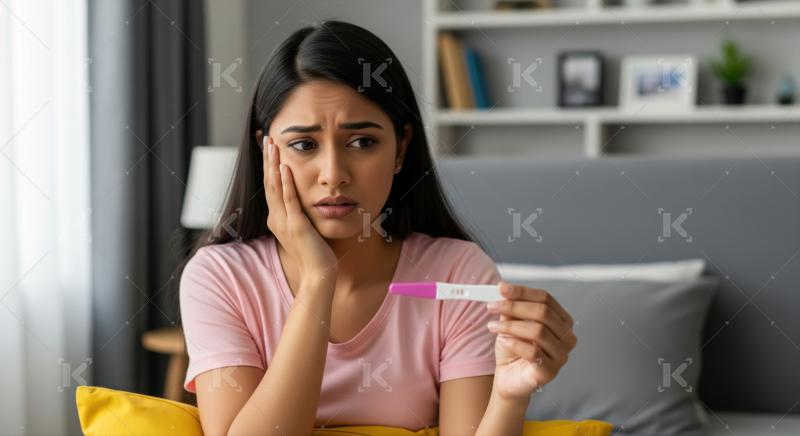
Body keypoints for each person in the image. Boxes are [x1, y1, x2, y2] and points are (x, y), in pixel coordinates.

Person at [178, 20, 577, 436]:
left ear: (401, 148)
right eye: (304, 145)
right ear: (267, 152)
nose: (333, 175)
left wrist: (510, 397)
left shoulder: (458, 271)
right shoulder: (219, 276)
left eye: (362, 142)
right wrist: (319, 279)